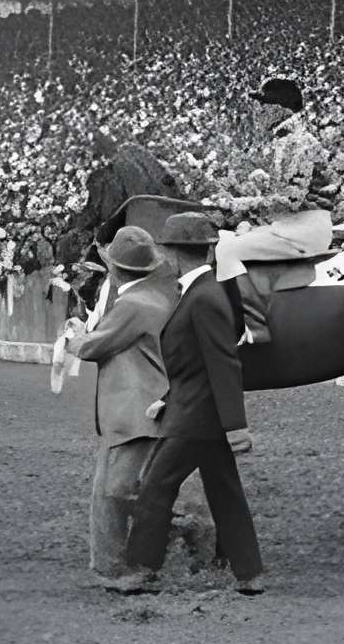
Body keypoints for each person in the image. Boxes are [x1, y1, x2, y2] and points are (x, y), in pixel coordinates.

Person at [112, 211, 267, 596]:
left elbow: (224, 362)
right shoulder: (200, 292)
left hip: (196, 418)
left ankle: (142, 570)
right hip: (195, 410)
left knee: (155, 487)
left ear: (174, 254)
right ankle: (249, 573)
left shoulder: (204, 297)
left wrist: (237, 426)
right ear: (206, 251)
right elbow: (196, 362)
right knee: (225, 490)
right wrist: (167, 399)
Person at [52, 224, 213, 586]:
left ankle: (121, 565)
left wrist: (73, 335)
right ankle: (180, 548)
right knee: (136, 487)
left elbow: (93, 347)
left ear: (113, 268)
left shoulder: (132, 305)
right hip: (156, 405)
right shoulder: (162, 298)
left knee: (114, 491)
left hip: (132, 410)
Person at [216, 75, 335, 349]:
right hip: (292, 223)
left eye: (263, 105)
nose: (257, 112)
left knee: (226, 250)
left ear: (279, 109)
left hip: (304, 228)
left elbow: (290, 200)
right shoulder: (285, 140)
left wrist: (238, 204)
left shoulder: (298, 142)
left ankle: (255, 327)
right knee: (231, 236)